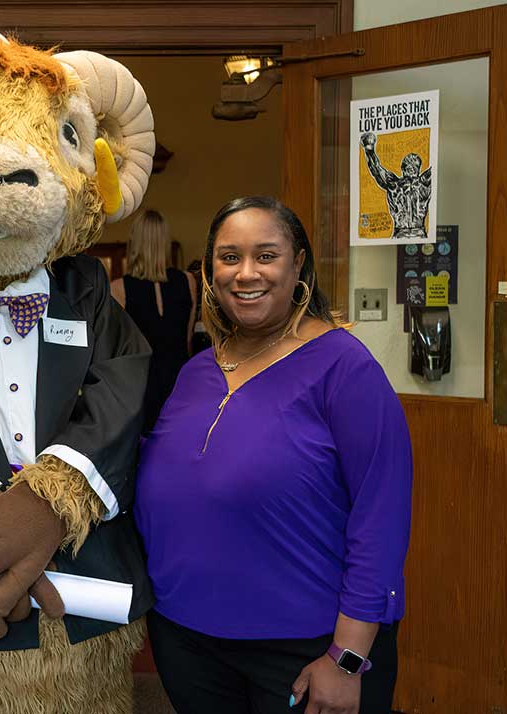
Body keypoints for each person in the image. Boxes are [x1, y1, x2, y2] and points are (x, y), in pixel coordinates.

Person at [134, 196, 412, 714]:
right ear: (209, 270)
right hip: (185, 637)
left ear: (298, 264)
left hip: (306, 649)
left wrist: (347, 658)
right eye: (229, 257)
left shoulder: (344, 368)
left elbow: (382, 517)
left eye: (266, 255)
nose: (246, 273)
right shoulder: (197, 370)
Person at [110, 209, 197, 431]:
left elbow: (117, 352)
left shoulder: (118, 289)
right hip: (181, 383)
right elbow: (187, 341)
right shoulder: (188, 281)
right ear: (165, 242)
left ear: (134, 242)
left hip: (139, 389)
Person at [360, 131, 433, 240]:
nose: (411, 170)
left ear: (402, 169)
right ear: (419, 169)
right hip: (417, 234)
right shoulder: (423, 184)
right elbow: (377, 170)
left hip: (401, 234)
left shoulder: (395, 185)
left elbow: (377, 170)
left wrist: (369, 150)